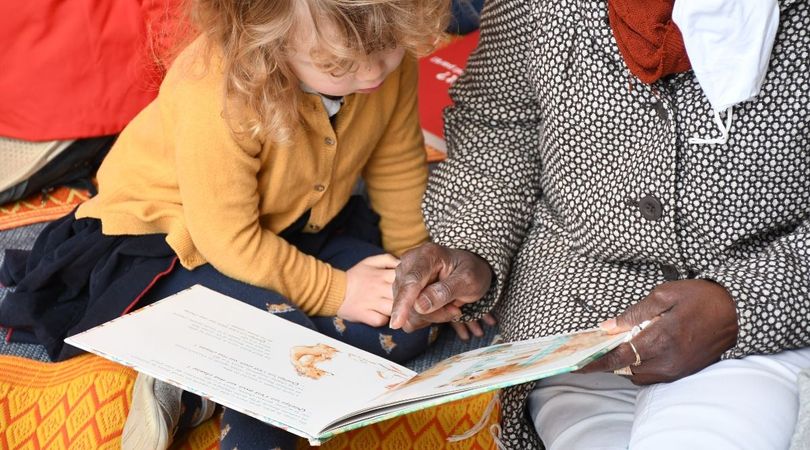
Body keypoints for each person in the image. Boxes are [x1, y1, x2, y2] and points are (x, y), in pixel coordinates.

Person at [0, 0, 450, 448]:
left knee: (408, 319)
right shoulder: (216, 87)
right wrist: (337, 291)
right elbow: (228, 238)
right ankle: (238, 394)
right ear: (266, 34)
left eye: (388, 49)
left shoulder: (383, 58)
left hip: (293, 228)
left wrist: (418, 266)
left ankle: (199, 381)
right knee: (281, 342)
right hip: (173, 241)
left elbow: (398, 165)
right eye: (339, 64)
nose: (373, 73)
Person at [389, 0, 810, 448]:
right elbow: (499, 124)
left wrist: (742, 307)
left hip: (750, 327)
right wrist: (472, 245)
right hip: (575, 322)